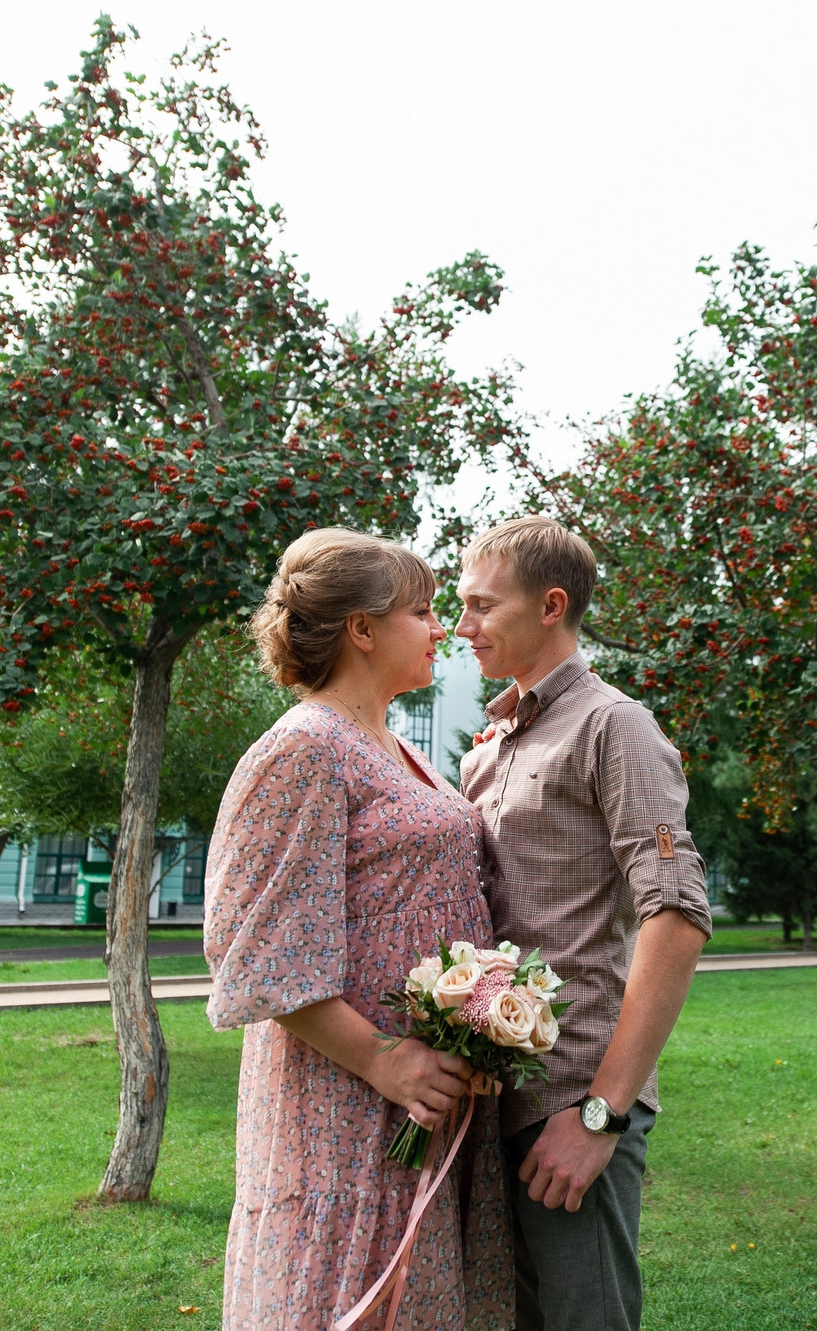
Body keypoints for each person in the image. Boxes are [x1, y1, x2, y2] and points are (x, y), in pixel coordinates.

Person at [204, 528, 510, 1330]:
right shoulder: (303, 749)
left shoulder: (399, 748)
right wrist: (385, 1059)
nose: (441, 627)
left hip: (420, 1106)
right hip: (344, 1116)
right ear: (362, 629)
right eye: (422, 610)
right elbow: (262, 959)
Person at [456, 516, 713, 1331]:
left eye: (479, 606)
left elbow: (676, 915)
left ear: (550, 605)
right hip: (486, 1104)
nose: (462, 626)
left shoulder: (617, 727)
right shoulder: (487, 746)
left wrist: (603, 1114)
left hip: (572, 1106)